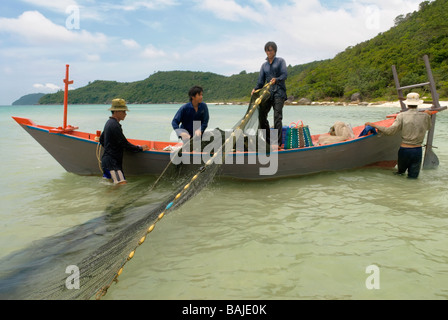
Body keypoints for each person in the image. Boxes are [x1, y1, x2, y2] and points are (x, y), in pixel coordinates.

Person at [365, 92, 432, 179]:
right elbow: (428, 128)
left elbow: (390, 131)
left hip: (404, 150)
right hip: (417, 151)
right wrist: (428, 115)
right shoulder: (425, 116)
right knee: (413, 178)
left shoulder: (401, 115)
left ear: (407, 104)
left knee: (399, 175)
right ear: (418, 104)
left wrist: (374, 125)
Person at [100, 98, 149, 185]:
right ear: (116, 112)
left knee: (112, 188)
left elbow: (101, 140)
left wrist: (110, 149)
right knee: (121, 185)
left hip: (107, 162)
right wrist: (139, 148)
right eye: (123, 111)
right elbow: (124, 144)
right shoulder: (115, 126)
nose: (125, 114)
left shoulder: (109, 123)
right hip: (112, 164)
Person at [252, 41, 288, 148]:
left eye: (270, 50)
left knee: (277, 117)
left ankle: (277, 143)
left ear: (275, 51)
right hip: (268, 94)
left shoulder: (280, 61)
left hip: (279, 93)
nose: (268, 52)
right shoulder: (264, 66)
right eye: (267, 50)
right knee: (261, 115)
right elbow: (260, 82)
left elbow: (284, 75)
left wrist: (276, 79)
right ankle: (268, 140)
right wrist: (255, 89)